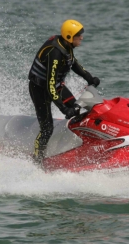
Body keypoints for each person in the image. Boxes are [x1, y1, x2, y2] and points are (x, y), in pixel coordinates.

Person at [28, 19, 100, 166]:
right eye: (78, 35)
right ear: (69, 37)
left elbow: (72, 62)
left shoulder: (65, 46)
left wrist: (89, 77)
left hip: (56, 86)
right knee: (47, 128)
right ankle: (37, 161)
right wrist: (63, 108)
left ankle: (81, 147)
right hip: (40, 90)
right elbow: (49, 85)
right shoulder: (55, 53)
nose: (82, 38)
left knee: (79, 111)